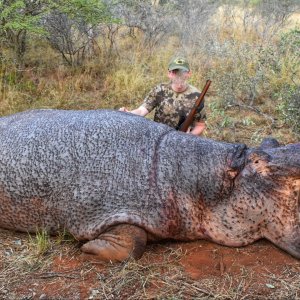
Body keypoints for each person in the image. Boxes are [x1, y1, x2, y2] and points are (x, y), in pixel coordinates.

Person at [119, 57, 206, 136]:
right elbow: (142, 111)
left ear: (189, 74)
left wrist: (189, 136)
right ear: (169, 74)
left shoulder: (197, 96)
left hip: (182, 141)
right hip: (159, 138)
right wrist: (128, 114)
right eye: (175, 72)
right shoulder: (159, 90)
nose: (179, 76)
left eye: (182, 72)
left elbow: (200, 125)